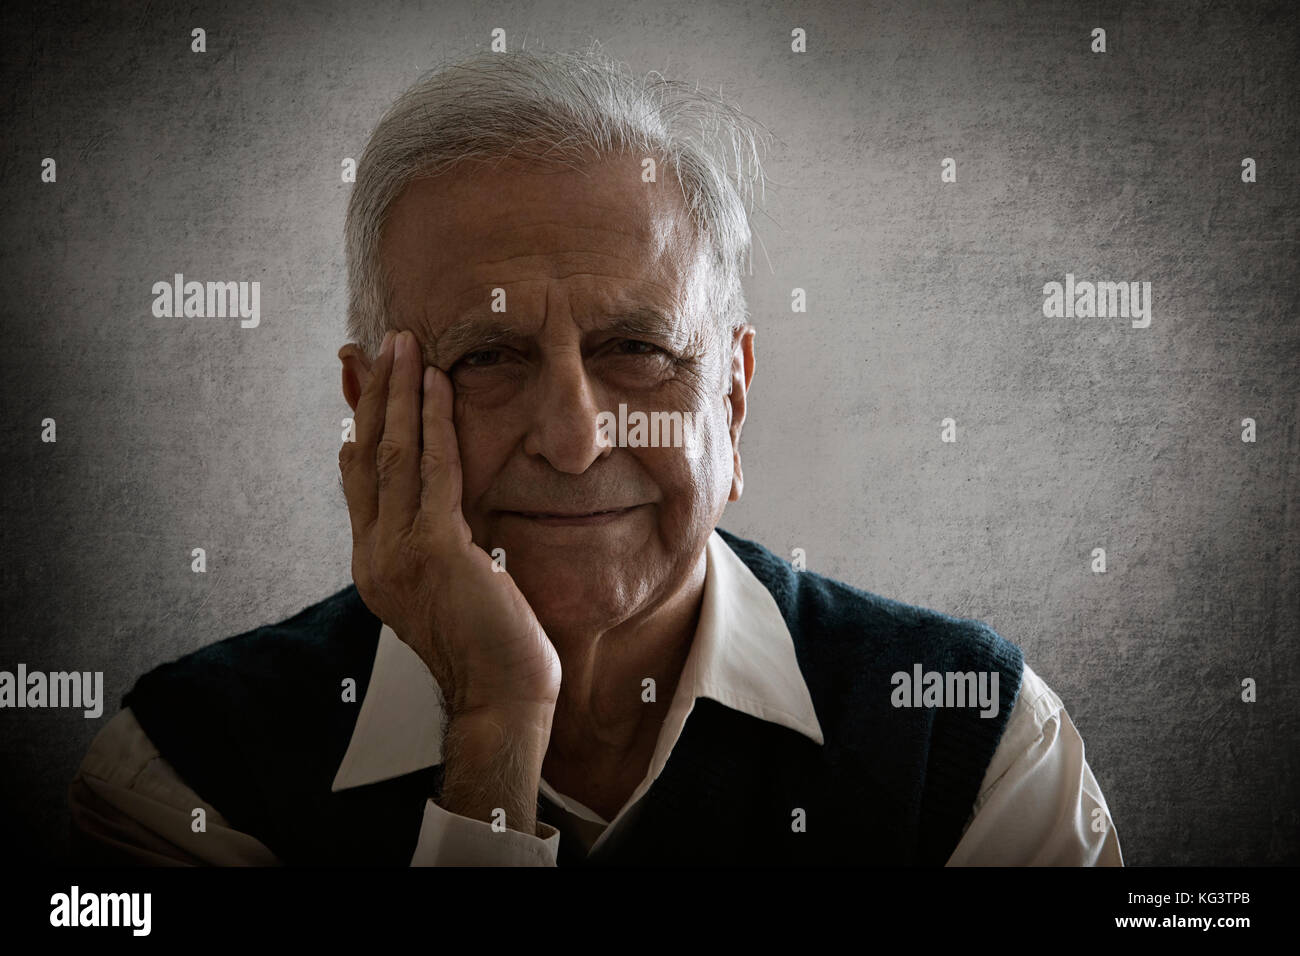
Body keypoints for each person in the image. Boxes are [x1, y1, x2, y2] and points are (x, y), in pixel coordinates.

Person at [70, 47, 1122, 866]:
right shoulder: (184, 771)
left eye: (637, 348)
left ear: (733, 395)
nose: (575, 438)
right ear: (372, 408)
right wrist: (495, 724)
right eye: (487, 355)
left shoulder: (975, 743)